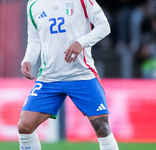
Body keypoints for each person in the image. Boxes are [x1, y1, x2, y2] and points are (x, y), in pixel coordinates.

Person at [18, 0, 119, 150]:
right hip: (49, 78)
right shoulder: (34, 4)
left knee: (101, 126)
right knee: (24, 126)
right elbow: (34, 39)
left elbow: (104, 26)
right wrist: (28, 59)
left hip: (82, 75)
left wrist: (81, 42)